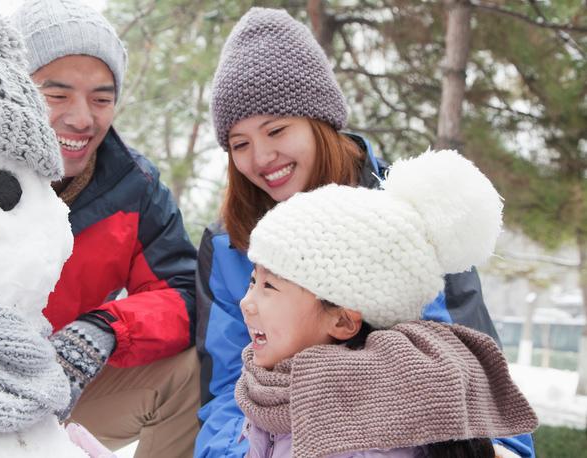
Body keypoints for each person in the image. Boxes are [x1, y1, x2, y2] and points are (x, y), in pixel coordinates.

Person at [195, 7, 536, 457]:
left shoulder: (405, 219)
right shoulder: (228, 243)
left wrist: (499, 449)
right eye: (239, 144)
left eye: (276, 130)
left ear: (319, 123)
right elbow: (225, 390)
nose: (260, 158)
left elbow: (465, 365)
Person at [236, 149, 538, 457]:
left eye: (269, 286)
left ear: (342, 321)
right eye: (253, 281)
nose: (246, 302)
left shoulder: (374, 440)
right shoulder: (271, 390)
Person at [10, 1, 199, 456]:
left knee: (192, 370)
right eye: (57, 96)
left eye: (101, 98)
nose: (82, 119)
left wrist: (107, 328)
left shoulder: (135, 187)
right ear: (14, 89)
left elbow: (184, 292)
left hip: (64, 390)